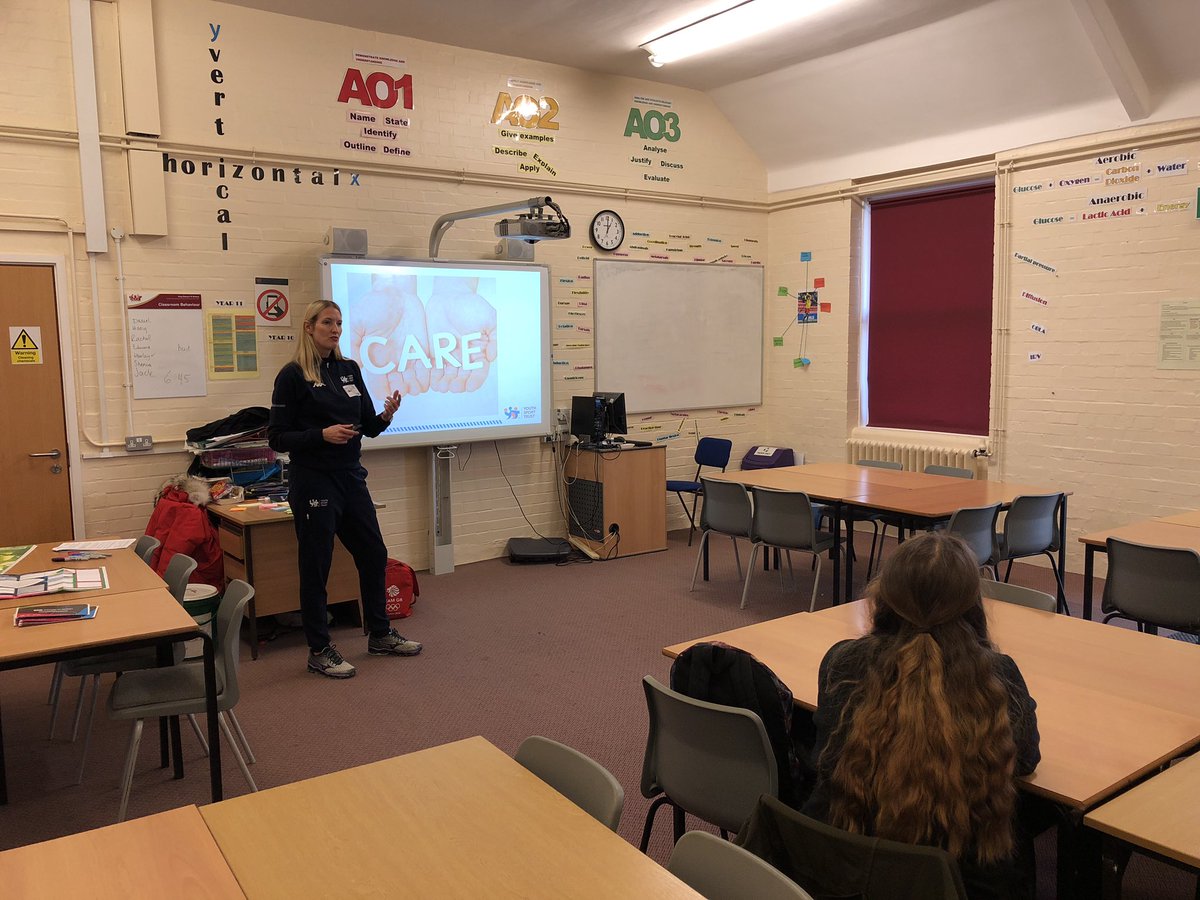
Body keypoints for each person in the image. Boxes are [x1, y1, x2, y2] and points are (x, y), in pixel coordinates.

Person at [803, 532, 1040, 900]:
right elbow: (1025, 760)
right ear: (972, 603)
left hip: (853, 872)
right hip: (964, 879)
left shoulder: (843, 661)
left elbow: (824, 756)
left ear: (885, 598)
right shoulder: (998, 675)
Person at [268, 299, 423, 678]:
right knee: (316, 565)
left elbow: (367, 426)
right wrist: (321, 435)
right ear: (309, 327)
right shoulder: (292, 375)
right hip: (314, 481)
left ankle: (380, 634)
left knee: (373, 553)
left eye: (339, 323)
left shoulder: (349, 369)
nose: (335, 329)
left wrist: (386, 415)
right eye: (327, 323)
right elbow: (277, 438)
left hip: (351, 477)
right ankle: (319, 649)